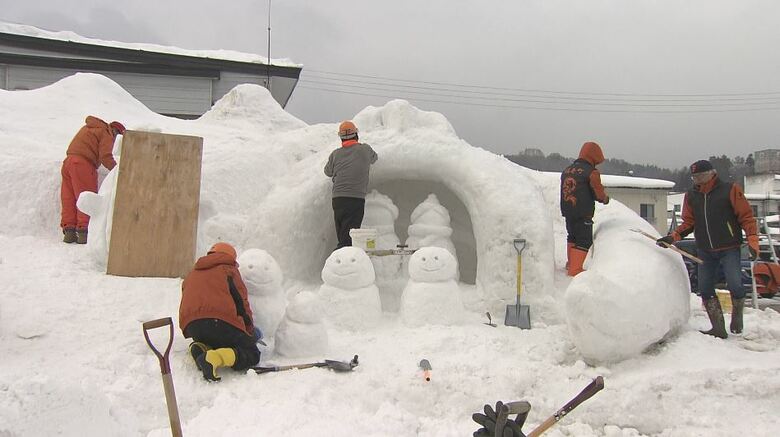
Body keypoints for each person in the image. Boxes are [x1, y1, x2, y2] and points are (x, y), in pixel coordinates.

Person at [657, 160, 758, 338]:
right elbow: (688, 222)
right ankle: (718, 327)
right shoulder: (691, 196)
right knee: (705, 288)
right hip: (704, 249)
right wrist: (673, 237)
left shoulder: (729, 190)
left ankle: (737, 316)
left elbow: (747, 216)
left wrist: (752, 238)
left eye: (700, 176)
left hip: (730, 247)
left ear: (712, 173)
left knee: (735, 283)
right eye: (694, 177)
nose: (697, 180)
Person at [178, 242, 260, 381]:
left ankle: (200, 347)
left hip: (192, 326)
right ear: (231, 257)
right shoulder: (228, 270)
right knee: (252, 353)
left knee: (218, 339)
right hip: (219, 321)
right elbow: (241, 302)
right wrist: (249, 331)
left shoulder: (192, 274)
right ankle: (214, 358)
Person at [60, 116, 126, 244]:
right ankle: (83, 233)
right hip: (83, 165)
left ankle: (69, 232)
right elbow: (105, 156)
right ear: (116, 132)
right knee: (86, 198)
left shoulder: (89, 128)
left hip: (68, 162)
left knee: (69, 198)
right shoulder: (106, 132)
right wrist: (118, 170)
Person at [324, 120, 378, 249]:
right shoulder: (365, 149)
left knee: (343, 233)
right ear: (356, 134)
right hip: (355, 199)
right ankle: (343, 262)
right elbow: (374, 158)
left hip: (338, 199)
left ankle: (343, 258)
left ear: (341, 137)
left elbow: (327, 172)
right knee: (349, 237)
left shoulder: (335, 154)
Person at [560, 141, 610, 276]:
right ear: (593, 156)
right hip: (583, 213)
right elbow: (598, 193)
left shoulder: (567, 170)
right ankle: (575, 269)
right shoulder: (591, 172)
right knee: (584, 240)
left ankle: (570, 263)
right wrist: (605, 199)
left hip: (568, 211)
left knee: (572, 236)